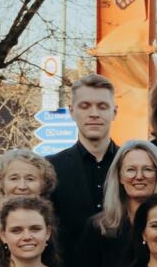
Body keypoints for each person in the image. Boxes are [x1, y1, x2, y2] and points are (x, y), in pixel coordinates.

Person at [72, 140, 157, 267]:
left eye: (147, 169)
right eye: (131, 169)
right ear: (119, 176)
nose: (139, 176)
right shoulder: (99, 227)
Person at [48, 74, 122, 237]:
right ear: (72, 112)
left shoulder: (129, 163)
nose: (94, 113)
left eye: (102, 106)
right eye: (85, 106)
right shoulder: (50, 168)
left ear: (114, 112)